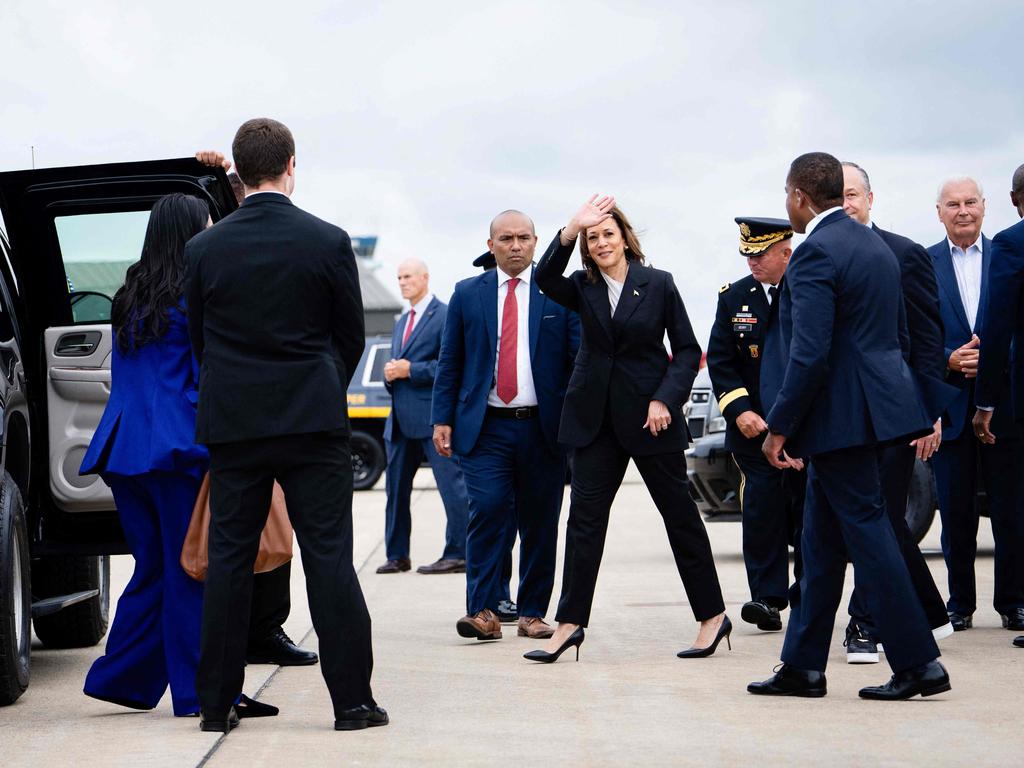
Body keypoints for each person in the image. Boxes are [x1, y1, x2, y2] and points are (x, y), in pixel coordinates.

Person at [187, 118, 385, 733]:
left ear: (239, 174)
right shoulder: (328, 241)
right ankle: (352, 703)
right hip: (312, 422)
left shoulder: (203, 248)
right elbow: (349, 334)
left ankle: (217, 706)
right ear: (292, 164)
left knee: (229, 562)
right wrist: (320, 381)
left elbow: (201, 341)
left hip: (236, 425)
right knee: (328, 559)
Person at [749, 152, 951, 700]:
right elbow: (896, 340)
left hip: (840, 420)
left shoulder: (815, 252)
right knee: (818, 544)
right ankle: (803, 666)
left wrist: (780, 427)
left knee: (872, 535)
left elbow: (810, 354)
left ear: (798, 196)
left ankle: (918, 663)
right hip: (877, 410)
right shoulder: (873, 245)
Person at [80, 193, 272, 719]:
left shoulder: (130, 293)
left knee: (156, 568)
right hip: (177, 451)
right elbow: (201, 376)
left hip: (124, 453)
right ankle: (202, 692)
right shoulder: (193, 292)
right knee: (195, 571)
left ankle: (123, 679)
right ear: (192, 230)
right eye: (208, 222)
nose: (214, 228)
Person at [528, 196, 727, 663]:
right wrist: (571, 227)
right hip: (594, 422)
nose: (600, 243)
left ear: (625, 238)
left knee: (679, 517)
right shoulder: (580, 286)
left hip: (650, 419)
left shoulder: (658, 284)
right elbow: (542, 278)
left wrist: (664, 398)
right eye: (593, 237)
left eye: (607, 234)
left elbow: (685, 350)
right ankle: (570, 623)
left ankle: (713, 617)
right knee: (583, 524)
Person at [432, 210, 579, 642]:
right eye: (506, 238)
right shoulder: (466, 294)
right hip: (485, 428)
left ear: (536, 243)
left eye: (523, 238)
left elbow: (577, 360)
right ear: (491, 243)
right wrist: (441, 418)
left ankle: (533, 612)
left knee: (540, 520)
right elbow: (450, 361)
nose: (516, 245)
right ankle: (482, 609)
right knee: (489, 510)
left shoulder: (557, 293)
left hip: (543, 429)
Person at [197, 154, 318, 669]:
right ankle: (244, 637)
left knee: (270, 533)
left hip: (252, 413)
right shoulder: (211, 247)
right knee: (236, 542)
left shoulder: (291, 238)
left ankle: (264, 631)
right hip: (245, 416)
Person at [838, 162, 953, 662]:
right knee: (870, 520)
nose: (845, 204)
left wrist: (930, 412)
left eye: (852, 195)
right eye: (836, 195)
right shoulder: (820, 255)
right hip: (841, 419)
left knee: (878, 517)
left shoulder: (903, 254)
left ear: (870, 198)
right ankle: (928, 610)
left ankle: (865, 623)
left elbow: (928, 342)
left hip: (895, 416)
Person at [928, 176, 1024, 633]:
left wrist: (994, 358)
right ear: (939, 212)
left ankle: (1013, 602)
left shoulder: (1009, 253)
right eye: (953, 204)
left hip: (1004, 402)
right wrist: (948, 357)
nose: (962, 211)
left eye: (970, 202)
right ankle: (959, 604)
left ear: (986, 207)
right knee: (955, 513)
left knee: (1011, 511)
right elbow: (911, 335)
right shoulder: (923, 264)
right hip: (949, 408)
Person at [707, 217, 804, 634]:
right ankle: (767, 598)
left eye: (760, 254)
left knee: (806, 513)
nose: (752, 262)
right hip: (755, 429)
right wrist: (740, 410)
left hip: (805, 430)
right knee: (762, 510)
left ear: (786, 251)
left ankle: (808, 596)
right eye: (747, 254)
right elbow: (721, 362)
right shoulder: (734, 298)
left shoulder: (809, 288)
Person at [376, 257, 469, 575]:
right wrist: (391, 372)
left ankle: (458, 552)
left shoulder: (444, 315)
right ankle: (397, 554)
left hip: (433, 418)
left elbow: (450, 365)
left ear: (425, 278)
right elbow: (398, 363)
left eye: (408, 277)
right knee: (395, 492)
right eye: (399, 277)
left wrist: (409, 369)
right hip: (400, 421)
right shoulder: (402, 320)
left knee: (451, 487)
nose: (402, 282)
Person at [972, 161, 1024, 649]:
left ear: (1013, 200)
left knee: (1015, 507)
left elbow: (998, 324)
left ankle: (1018, 601)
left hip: (1017, 405)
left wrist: (984, 401)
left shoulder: (1010, 243)